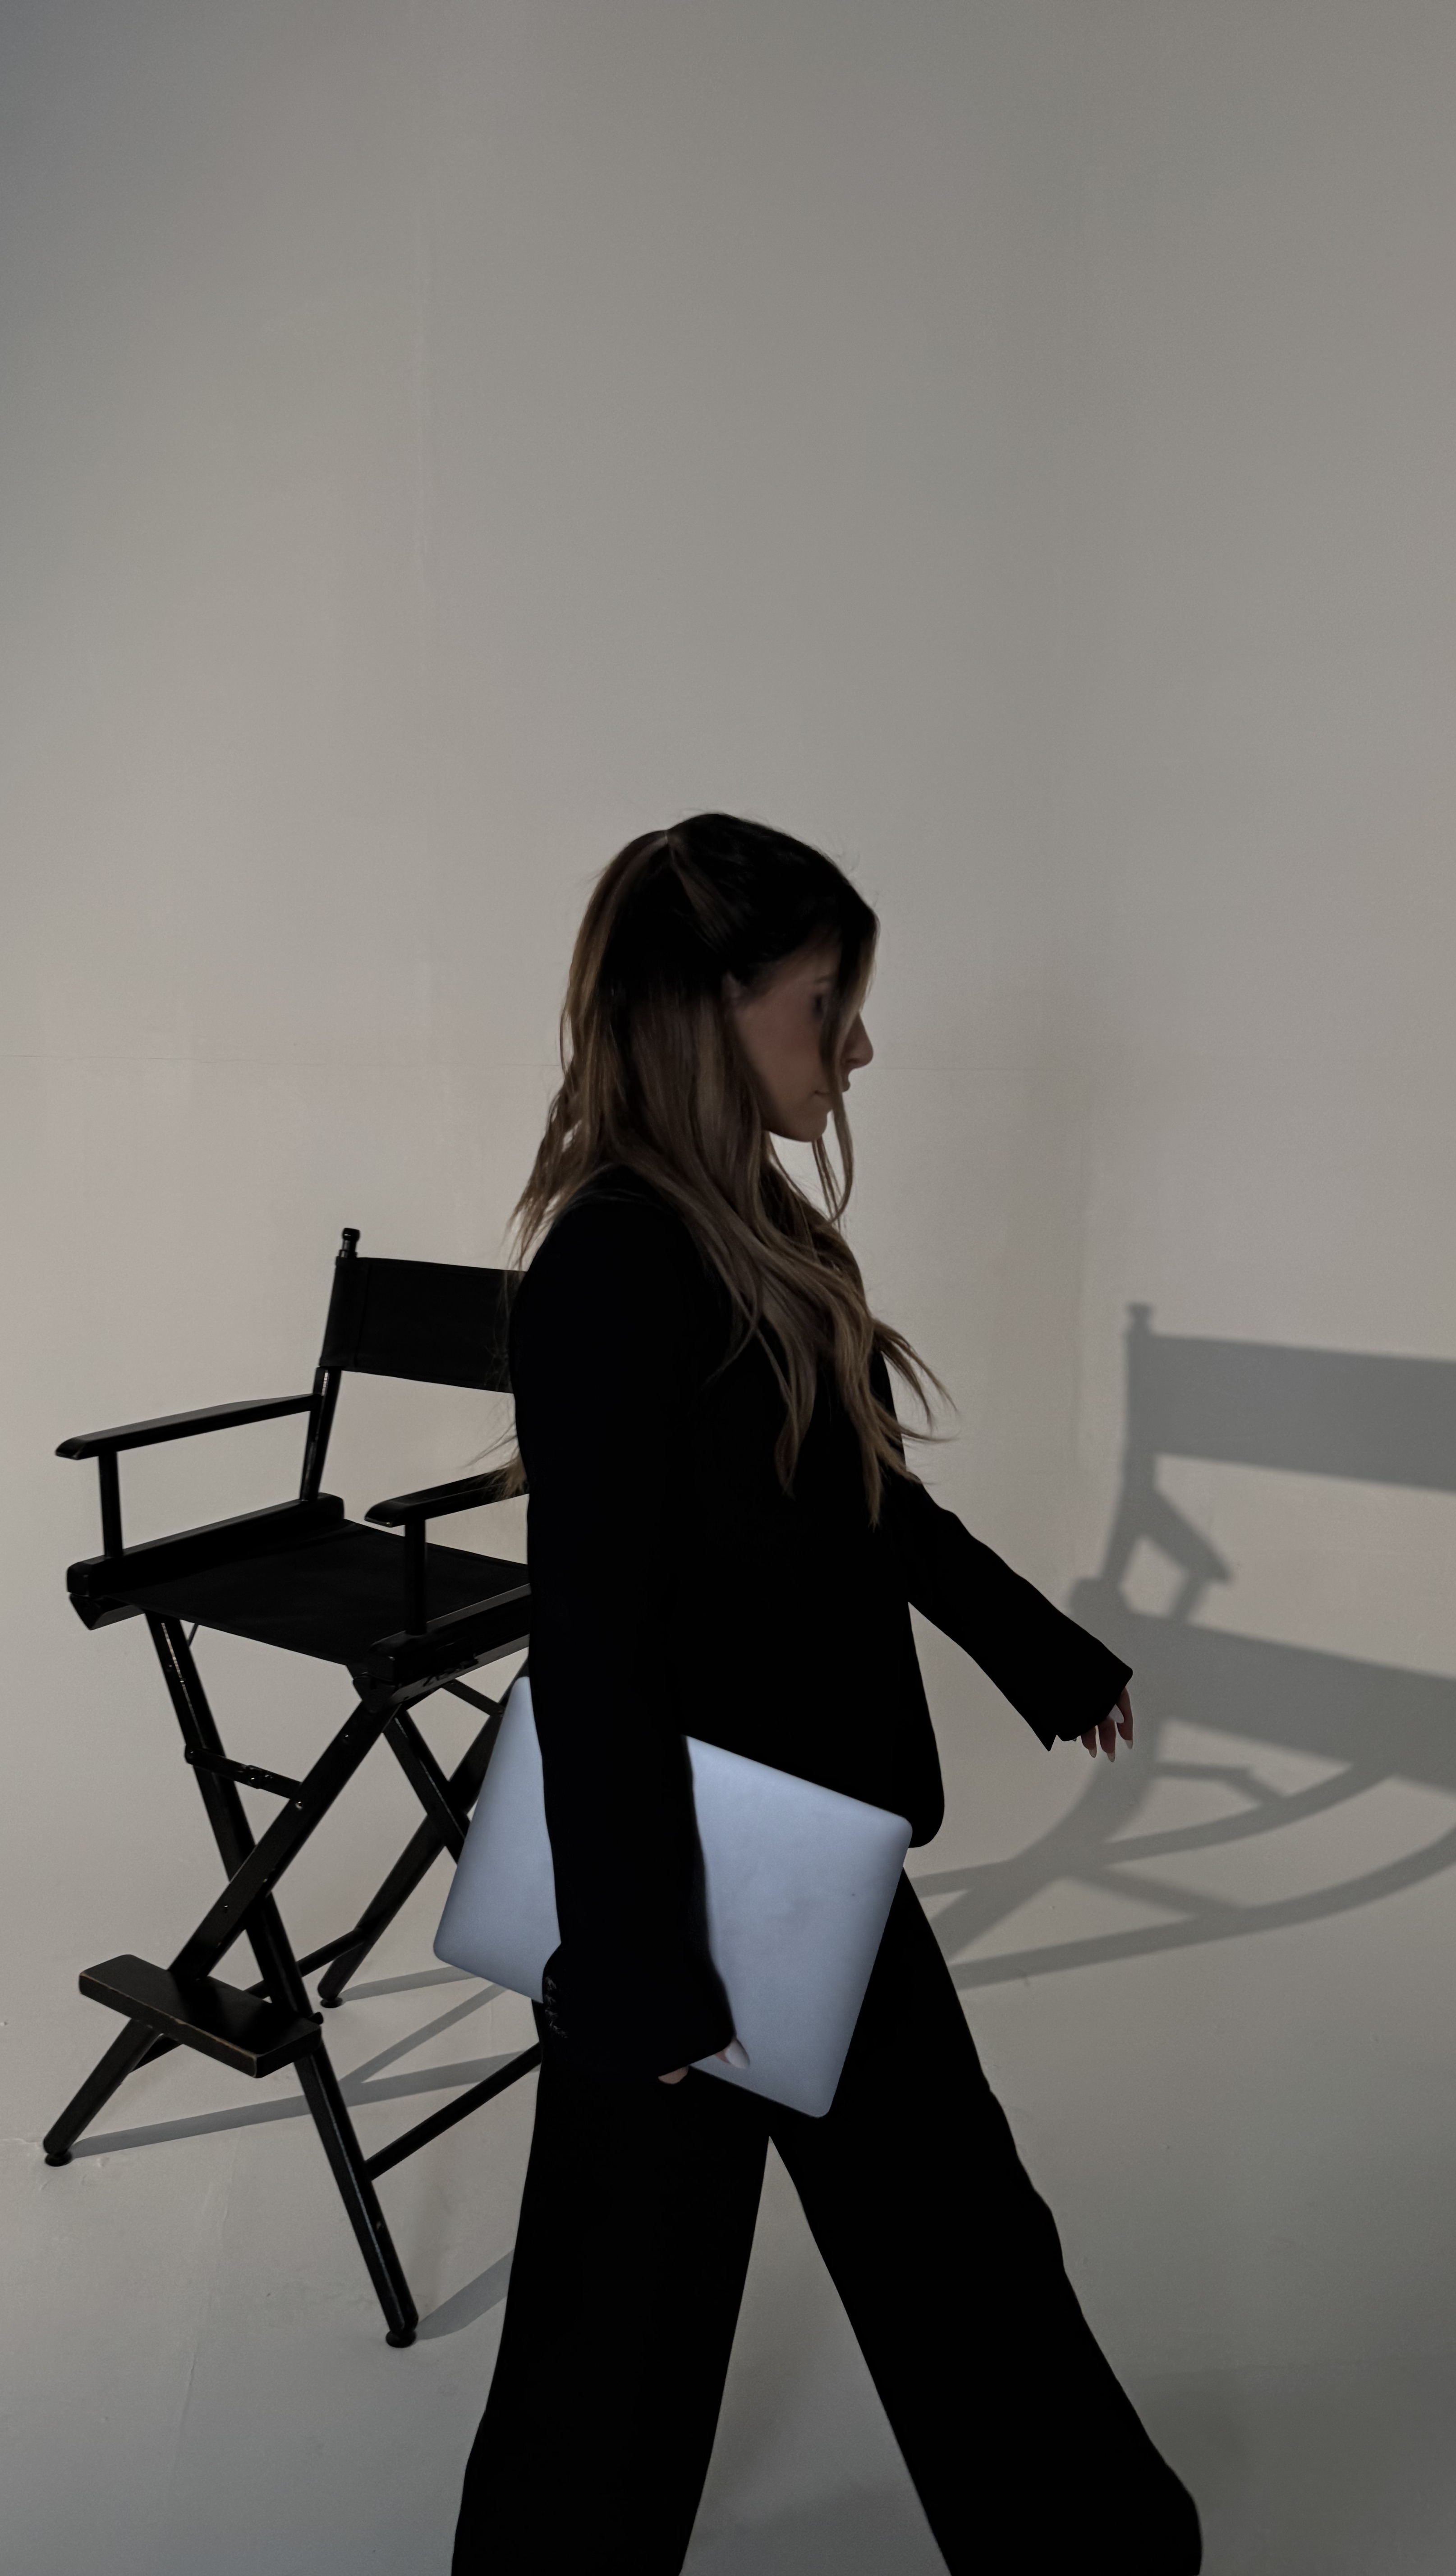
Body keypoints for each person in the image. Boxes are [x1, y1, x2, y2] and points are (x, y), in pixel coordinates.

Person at [451, 815, 1201, 2574]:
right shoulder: (614, 1268)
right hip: (682, 1885)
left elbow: (870, 1498)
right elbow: (593, 1638)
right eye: (823, 1004)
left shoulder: (754, 1237)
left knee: (956, 2244)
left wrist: (1034, 1646)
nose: (857, 1046)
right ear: (709, 1007)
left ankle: (1098, 2549)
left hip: (811, 1859)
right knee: (621, 2329)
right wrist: (631, 1969)